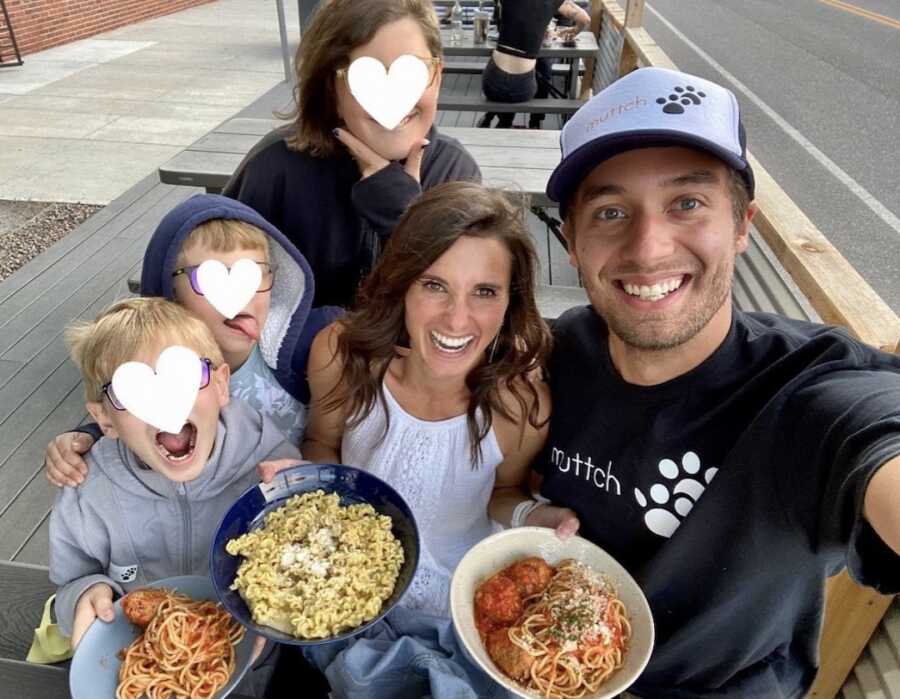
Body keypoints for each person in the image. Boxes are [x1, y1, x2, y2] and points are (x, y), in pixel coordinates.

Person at [512, 66, 900, 696]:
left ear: (742, 224)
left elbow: (876, 436)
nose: (649, 247)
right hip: (546, 669)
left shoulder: (808, 388)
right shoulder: (562, 352)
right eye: (611, 211)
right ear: (573, 243)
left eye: (686, 204)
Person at [290, 181, 571, 698]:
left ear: (511, 302)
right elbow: (321, 444)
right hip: (355, 593)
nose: (457, 319)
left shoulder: (520, 407)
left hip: (462, 605)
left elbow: (502, 493)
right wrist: (320, 496)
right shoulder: (340, 357)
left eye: (484, 292)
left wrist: (535, 517)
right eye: (434, 285)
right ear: (401, 284)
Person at [49, 298, 302, 689]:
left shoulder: (271, 466)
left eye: (183, 378)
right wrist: (87, 593)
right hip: (136, 657)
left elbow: (300, 569)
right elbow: (72, 581)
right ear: (104, 419)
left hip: (252, 661)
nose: (166, 403)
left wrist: (309, 502)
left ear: (220, 385)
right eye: (133, 392)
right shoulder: (87, 491)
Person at [44, 194, 338, 487]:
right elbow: (132, 418)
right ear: (169, 291)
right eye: (210, 277)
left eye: (255, 273)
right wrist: (88, 438)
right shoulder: (146, 370)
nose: (242, 295)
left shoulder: (305, 348)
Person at [223, 0, 481, 308]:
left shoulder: (454, 172)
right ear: (331, 87)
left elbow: (465, 304)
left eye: (411, 72)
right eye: (367, 78)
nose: (394, 98)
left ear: (437, 77)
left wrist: (405, 219)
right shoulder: (275, 167)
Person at [479, 0, 590, 129]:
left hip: (492, 86)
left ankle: (503, 121)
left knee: (506, 65)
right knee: (541, 70)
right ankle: (533, 122)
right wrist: (574, 30)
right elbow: (585, 19)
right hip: (522, 89)